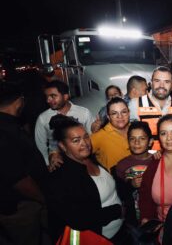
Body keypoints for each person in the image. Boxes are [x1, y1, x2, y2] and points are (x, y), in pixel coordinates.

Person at [46, 115, 129, 244]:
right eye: (76, 140)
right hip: (99, 238)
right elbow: (78, 218)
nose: (84, 143)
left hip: (120, 231)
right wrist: (117, 211)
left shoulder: (90, 158)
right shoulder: (61, 176)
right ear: (62, 146)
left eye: (86, 137)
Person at [0, 81, 48, 245]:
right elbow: (18, 179)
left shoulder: (11, 124)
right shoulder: (5, 133)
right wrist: (44, 199)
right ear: (19, 100)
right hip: (22, 206)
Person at [35, 80, 95, 166]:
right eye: (47, 97)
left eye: (53, 96)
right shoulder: (43, 118)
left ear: (65, 96)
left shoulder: (84, 112)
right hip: (58, 163)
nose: (48, 100)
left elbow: (91, 137)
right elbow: (41, 146)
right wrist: (48, 163)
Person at [134, 66, 172, 150]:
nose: (161, 85)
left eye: (166, 82)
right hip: (147, 160)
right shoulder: (135, 104)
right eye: (157, 81)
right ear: (151, 83)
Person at [115, 121, 155, 221]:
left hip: (155, 214)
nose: (137, 143)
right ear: (128, 141)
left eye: (142, 138)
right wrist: (131, 184)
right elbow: (119, 193)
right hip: (132, 217)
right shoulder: (122, 165)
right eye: (132, 139)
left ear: (150, 141)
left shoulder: (157, 160)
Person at [91, 97, 131, 171]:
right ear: (108, 117)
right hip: (115, 180)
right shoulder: (100, 135)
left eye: (124, 112)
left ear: (129, 113)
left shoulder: (136, 129)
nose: (120, 116)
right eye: (114, 113)